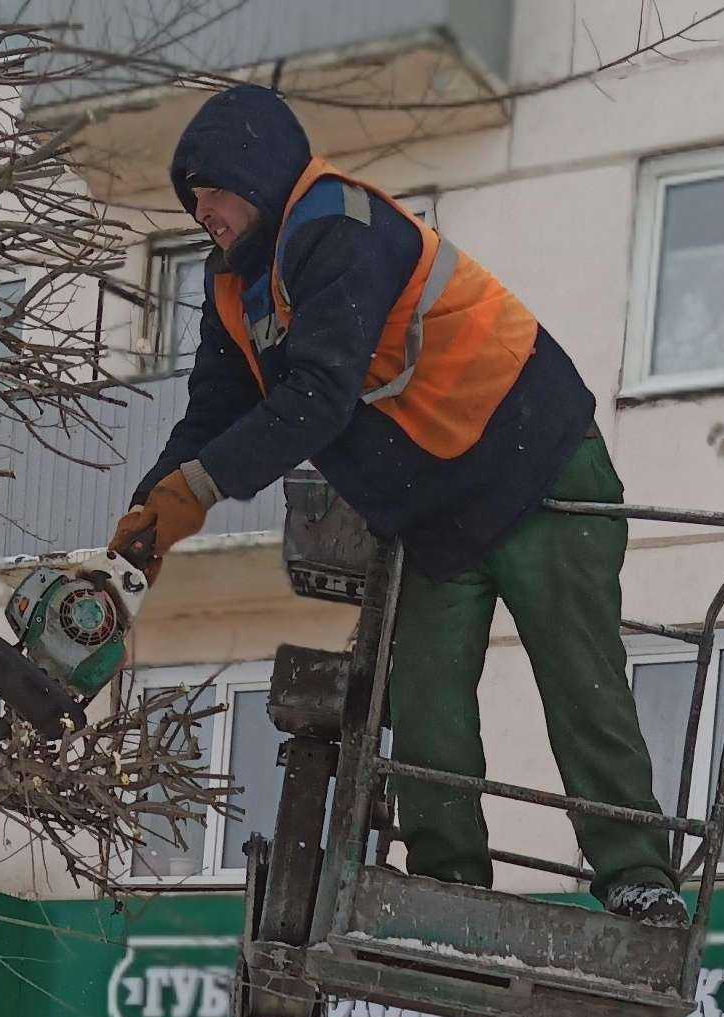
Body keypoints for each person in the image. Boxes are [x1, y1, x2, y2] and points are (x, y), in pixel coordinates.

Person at [110, 84, 684, 926]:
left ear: (260, 179)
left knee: (578, 676)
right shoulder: (236, 287)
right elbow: (211, 413)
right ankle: (450, 884)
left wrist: (198, 489)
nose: (204, 214)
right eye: (192, 202)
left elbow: (317, 397)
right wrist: (145, 521)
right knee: (424, 698)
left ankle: (636, 872)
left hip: (537, 463)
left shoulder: (338, 227)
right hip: (436, 506)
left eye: (214, 194)